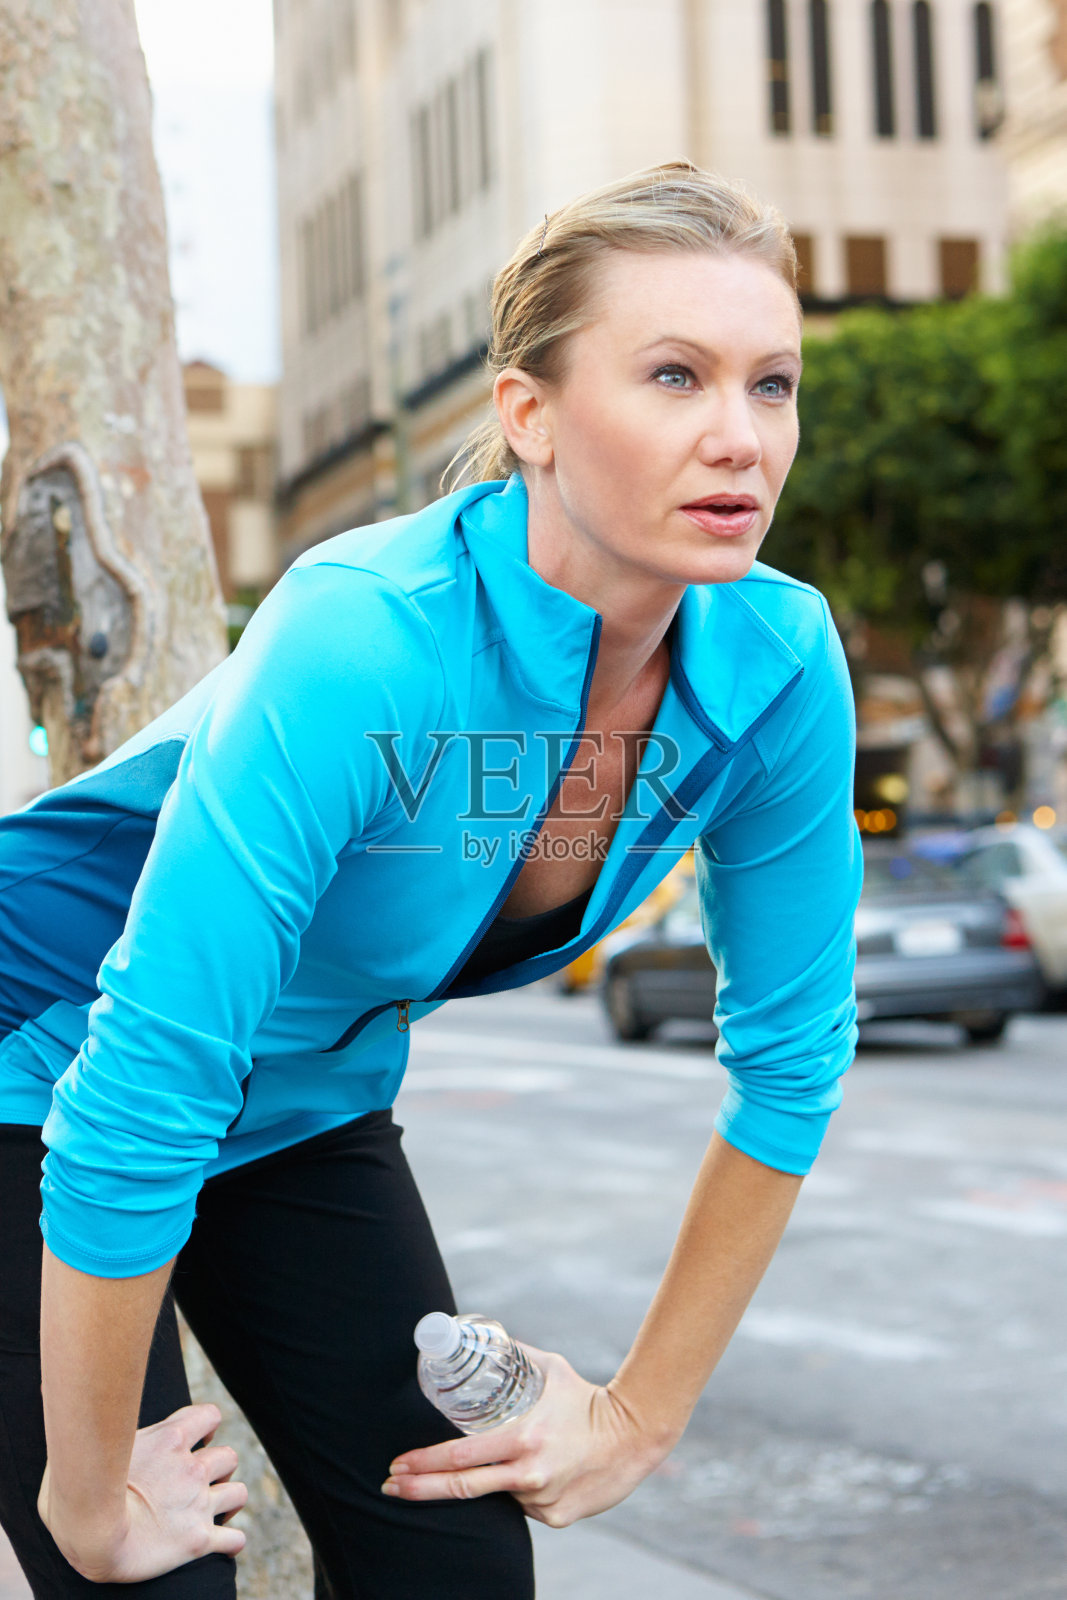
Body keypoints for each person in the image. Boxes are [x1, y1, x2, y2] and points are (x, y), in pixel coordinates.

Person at [0, 160, 862, 1598]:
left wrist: (637, 1417)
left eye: (770, 384)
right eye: (672, 376)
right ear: (528, 415)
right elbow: (139, 1087)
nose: (739, 438)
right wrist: (87, 1508)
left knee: (452, 1558)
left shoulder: (775, 666)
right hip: (39, 1070)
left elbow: (790, 1062)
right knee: (151, 1578)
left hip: (299, 1108)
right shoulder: (367, 637)